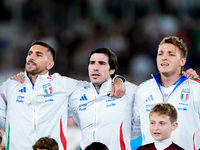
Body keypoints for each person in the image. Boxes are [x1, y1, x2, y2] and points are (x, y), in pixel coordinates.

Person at [0, 40, 125, 150]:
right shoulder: (11, 86)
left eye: (38, 55)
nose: (31, 57)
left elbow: (98, 83)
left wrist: (118, 79)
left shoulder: (62, 85)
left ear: (50, 64)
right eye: (29, 54)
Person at [133, 36, 200, 150]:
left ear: (182, 61)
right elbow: (133, 128)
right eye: (160, 54)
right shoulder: (143, 89)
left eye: (171, 54)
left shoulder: (195, 88)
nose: (164, 58)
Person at [68, 48, 138, 150]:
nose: (95, 68)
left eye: (101, 63)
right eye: (92, 63)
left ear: (112, 70)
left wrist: (119, 79)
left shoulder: (126, 90)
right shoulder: (77, 95)